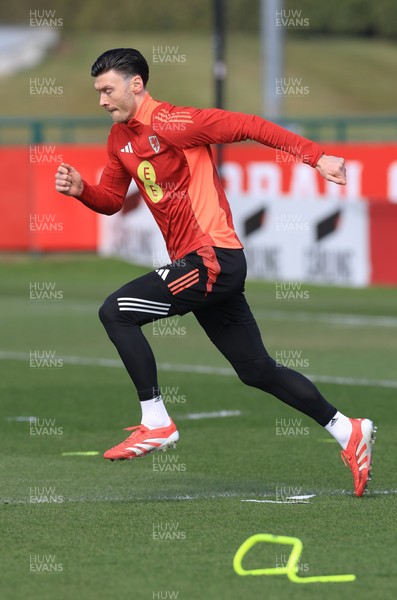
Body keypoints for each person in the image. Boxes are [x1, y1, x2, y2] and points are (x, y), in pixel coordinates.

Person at [55, 48, 375, 497]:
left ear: (136, 85)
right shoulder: (118, 140)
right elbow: (110, 199)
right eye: (98, 92)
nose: (102, 100)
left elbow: (248, 125)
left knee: (117, 311)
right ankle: (348, 429)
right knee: (256, 370)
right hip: (207, 266)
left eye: (107, 90)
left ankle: (157, 421)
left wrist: (315, 156)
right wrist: (81, 190)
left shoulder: (174, 123)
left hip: (210, 259)